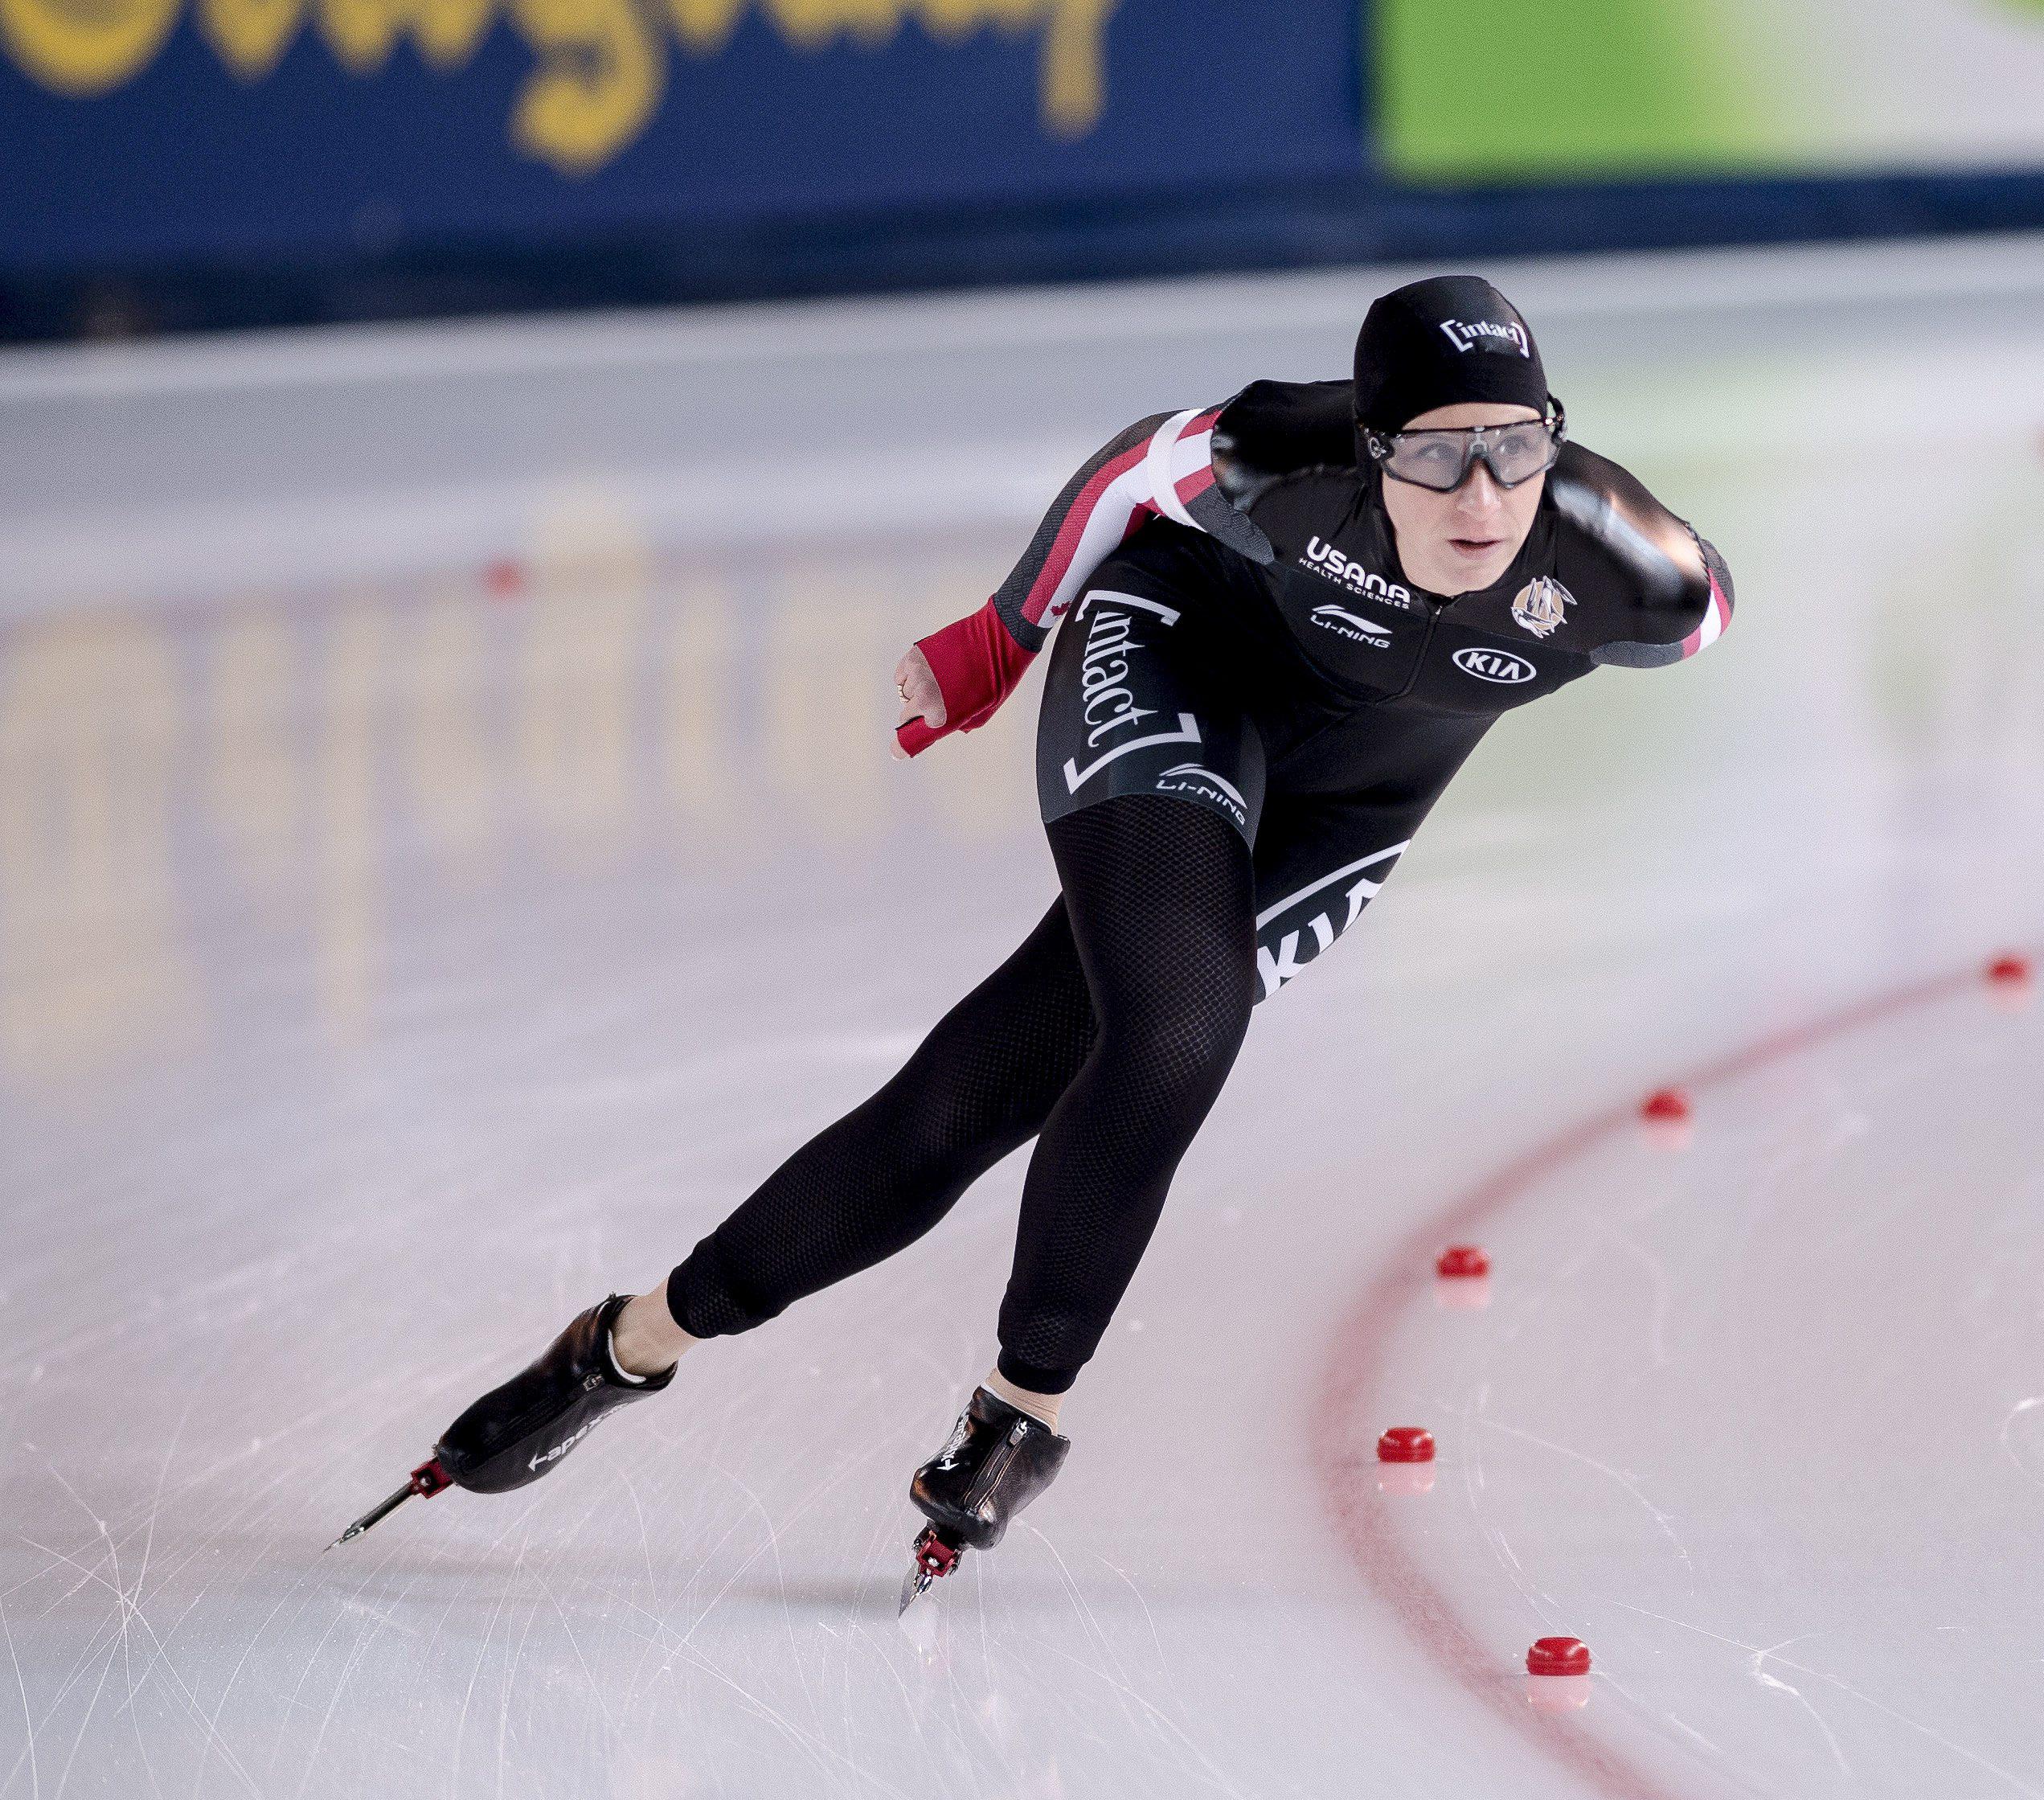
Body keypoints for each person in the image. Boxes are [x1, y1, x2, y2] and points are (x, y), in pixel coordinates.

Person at [335, 277, 1734, 1590]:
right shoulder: (1279, 457)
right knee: (1181, 1027)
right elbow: (1137, 467)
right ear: (1369, 453)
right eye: (1432, 457)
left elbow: (1706, 612)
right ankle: (1030, 1411)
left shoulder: (1642, 576)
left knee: (970, 1099)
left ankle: (629, 1343)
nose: (1479, 493)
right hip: (1184, 657)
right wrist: (1006, 635)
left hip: (1349, 806)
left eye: (1511, 448)